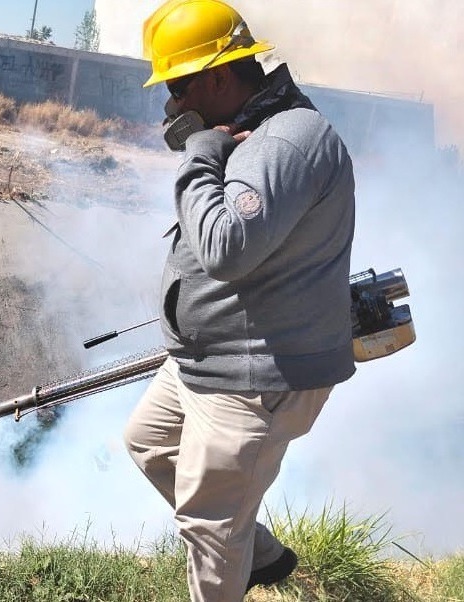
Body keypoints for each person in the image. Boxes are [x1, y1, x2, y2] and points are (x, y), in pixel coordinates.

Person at [123, 1, 356, 600]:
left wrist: (200, 152)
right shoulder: (246, 134)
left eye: (179, 84)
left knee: (208, 527)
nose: (172, 103)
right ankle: (260, 553)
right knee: (149, 442)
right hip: (208, 360)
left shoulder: (283, 142)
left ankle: (233, 551)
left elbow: (227, 248)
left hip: (251, 376)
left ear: (220, 76)